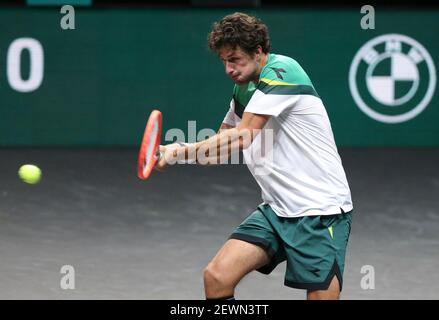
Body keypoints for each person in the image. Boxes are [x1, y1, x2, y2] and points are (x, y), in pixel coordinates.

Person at [155, 12, 353, 300]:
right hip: (276, 210)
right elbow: (219, 150)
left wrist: (179, 150)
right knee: (217, 277)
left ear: (258, 51)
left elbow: (244, 135)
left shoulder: (283, 71)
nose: (228, 69)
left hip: (320, 213)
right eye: (224, 61)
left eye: (234, 59)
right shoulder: (244, 87)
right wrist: (177, 155)